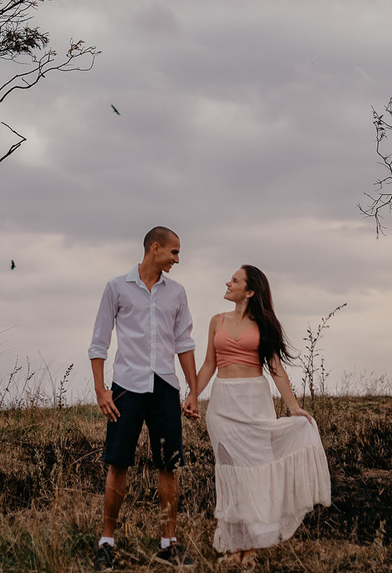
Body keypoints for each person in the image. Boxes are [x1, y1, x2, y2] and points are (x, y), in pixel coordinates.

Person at [193, 265, 331, 566]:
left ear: (250, 290)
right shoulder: (217, 321)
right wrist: (192, 395)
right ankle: (235, 547)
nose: (228, 282)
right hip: (222, 405)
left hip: (254, 401)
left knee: (255, 471)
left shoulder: (264, 324)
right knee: (230, 474)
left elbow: (275, 367)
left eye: (235, 280)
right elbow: (208, 365)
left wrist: (293, 406)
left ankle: (252, 547)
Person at [89, 226, 200, 571]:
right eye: (174, 252)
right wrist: (100, 390)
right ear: (155, 248)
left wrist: (194, 391)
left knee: (169, 465)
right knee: (118, 462)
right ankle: (106, 542)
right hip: (126, 387)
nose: (177, 259)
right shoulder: (116, 287)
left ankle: (169, 543)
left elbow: (184, 343)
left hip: (165, 387)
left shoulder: (177, 293)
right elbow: (98, 342)